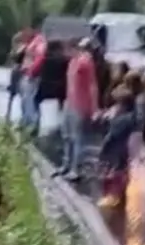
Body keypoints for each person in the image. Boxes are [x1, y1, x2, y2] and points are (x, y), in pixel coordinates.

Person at [54, 37, 100, 182]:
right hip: (69, 102)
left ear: (75, 48)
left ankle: (75, 169)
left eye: (67, 49)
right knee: (66, 135)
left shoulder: (85, 62)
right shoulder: (73, 62)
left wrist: (94, 108)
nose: (65, 53)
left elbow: (93, 85)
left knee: (76, 137)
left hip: (80, 104)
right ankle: (66, 164)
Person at [96, 89, 138, 209]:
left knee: (112, 174)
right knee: (122, 172)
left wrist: (103, 150)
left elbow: (111, 136)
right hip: (123, 150)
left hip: (115, 150)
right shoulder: (130, 117)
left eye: (117, 103)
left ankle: (112, 197)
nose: (115, 106)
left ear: (123, 105)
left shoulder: (121, 120)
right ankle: (120, 197)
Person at [18, 26, 47, 137]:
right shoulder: (31, 42)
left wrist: (31, 72)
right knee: (27, 100)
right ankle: (27, 123)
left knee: (29, 100)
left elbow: (40, 58)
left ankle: (31, 126)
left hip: (32, 76)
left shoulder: (39, 41)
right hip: (27, 74)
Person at [122, 71, 145, 169]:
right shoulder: (142, 96)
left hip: (135, 130)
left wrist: (129, 121)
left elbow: (139, 116)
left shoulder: (139, 99)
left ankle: (134, 177)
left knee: (133, 157)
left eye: (128, 84)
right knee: (134, 155)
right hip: (137, 130)